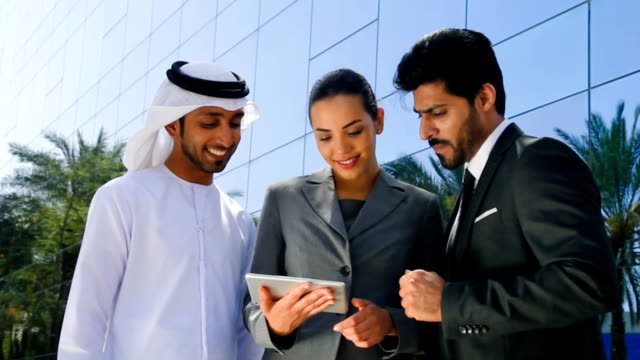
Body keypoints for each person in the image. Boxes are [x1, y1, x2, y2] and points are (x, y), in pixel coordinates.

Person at [394, 28, 619, 360]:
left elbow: (587, 282)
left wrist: (450, 302)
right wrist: (394, 322)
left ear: (485, 97)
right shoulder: (472, 187)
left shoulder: (535, 161)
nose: (424, 131)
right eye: (421, 116)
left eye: (438, 113)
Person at [58, 61, 264, 360]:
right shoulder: (123, 198)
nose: (226, 138)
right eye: (209, 123)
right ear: (172, 124)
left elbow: (245, 332)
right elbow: (85, 321)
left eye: (234, 123)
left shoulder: (240, 220)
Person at [243, 69, 444, 359]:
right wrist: (274, 325)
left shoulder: (420, 207)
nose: (340, 148)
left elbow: (439, 315)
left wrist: (391, 324)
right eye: (324, 137)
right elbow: (252, 305)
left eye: (353, 131)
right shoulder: (283, 198)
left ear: (378, 120)